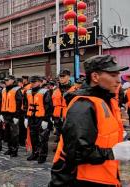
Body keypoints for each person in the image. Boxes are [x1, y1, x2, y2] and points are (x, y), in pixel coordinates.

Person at [50, 55, 130, 187]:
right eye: (113, 75)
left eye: (118, 75)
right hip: (79, 179)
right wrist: (112, 153)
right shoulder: (84, 105)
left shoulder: (106, 99)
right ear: (95, 77)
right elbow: (76, 152)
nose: (118, 80)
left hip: (99, 176)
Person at [25, 76, 53, 164]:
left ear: (40, 82)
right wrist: (26, 118)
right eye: (31, 82)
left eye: (34, 82)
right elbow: (26, 106)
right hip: (31, 118)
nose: (32, 83)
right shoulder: (28, 92)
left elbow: (48, 106)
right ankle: (35, 153)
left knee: (43, 138)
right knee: (33, 138)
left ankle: (43, 155)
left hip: (41, 118)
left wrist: (46, 119)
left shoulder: (45, 92)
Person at [0, 75, 24, 157]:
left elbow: (19, 103)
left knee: (14, 134)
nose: (6, 81)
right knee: (7, 133)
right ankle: (9, 148)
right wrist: (1, 114)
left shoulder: (17, 90)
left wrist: (17, 116)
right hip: (5, 115)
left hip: (13, 115)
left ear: (13, 80)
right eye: (5, 80)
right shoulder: (3, 90)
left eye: (8, 80)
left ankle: (14, 150)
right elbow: (2, 102)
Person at [51, 69, 77, 144]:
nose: (61, 78)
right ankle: (59, 150)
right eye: (60, 76)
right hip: (57, 117)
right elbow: (52, 104)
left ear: (68, 77)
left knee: (69, 137)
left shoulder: (74, 90)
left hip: (69, 117)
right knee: (59, 136)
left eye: (63, 76)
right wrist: (53, 118)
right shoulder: (55, 89)